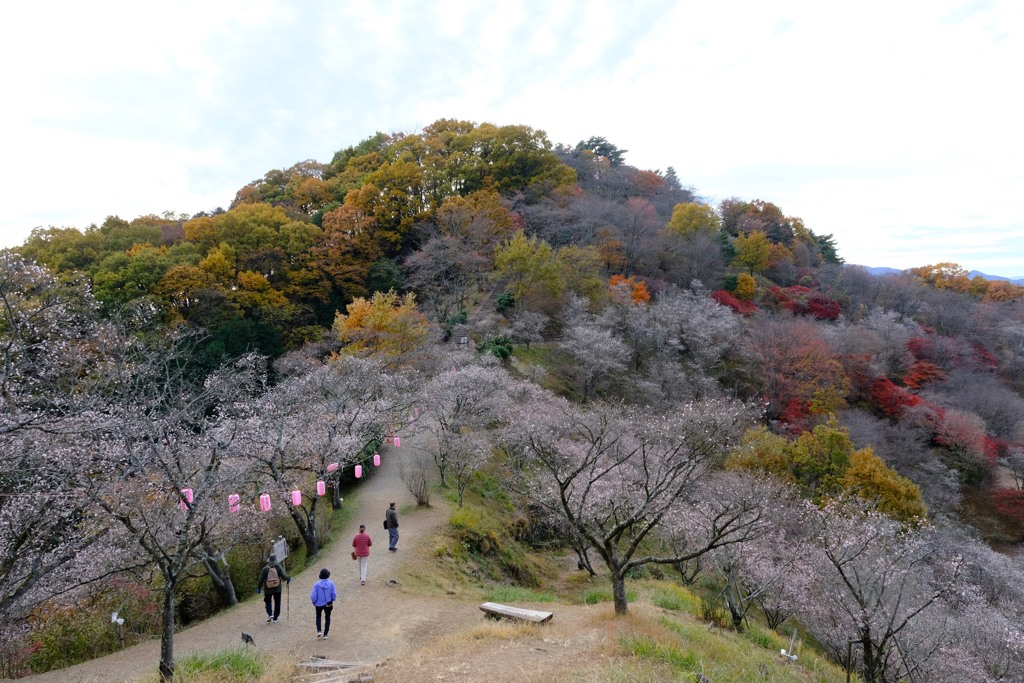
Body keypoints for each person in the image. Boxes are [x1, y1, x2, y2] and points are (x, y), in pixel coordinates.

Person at [256, 553, 291, 622]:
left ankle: (270, 614)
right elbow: (283, 576)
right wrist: (288, 578)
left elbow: (260, 579)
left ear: (269, 560)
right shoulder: (278, 567)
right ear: (275, 559)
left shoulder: (265, 569)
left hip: (268, 589)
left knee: (268, 601)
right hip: (277, 589)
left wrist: (259, 588)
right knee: (277, 603)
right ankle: (275, 618)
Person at [310, 568, 337, 640]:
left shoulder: (316, 584)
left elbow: (313, 596)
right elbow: (334, 593)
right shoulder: (331, 583)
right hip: (328, 603)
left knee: (318, 616)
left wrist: (314, 602)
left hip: (319, 604)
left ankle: (319, 630)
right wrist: (332, 599)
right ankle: (326, 634)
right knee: (327, 617)